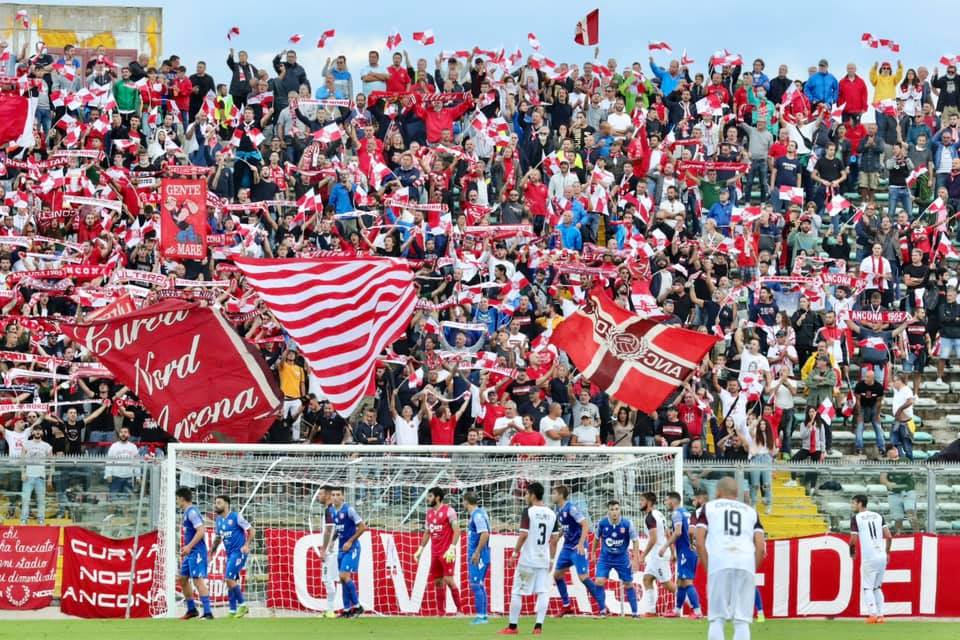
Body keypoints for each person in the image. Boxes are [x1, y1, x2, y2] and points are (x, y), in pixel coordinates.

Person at [694, 477, 766, 640]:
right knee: (742, 621)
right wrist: (750, 570)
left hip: (719, 560)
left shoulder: (709, 507)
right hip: (746, 562)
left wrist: (708, 568)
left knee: (717, 619)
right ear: (737, 493)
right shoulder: (751, 511)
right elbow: (760, 547)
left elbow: (699, 541)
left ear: (718, 492)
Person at [499, 482, 558, 636]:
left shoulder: (529, 512)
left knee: (517, 592)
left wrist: (514, 553)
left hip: (527, 560)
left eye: (526, 494)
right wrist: (551, 560)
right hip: (543, 560)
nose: (525, 496)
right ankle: (538, 626)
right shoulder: (552, 514)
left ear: (532, 495)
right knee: (543, 592)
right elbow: (554, 540)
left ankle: (512, 627)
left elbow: (524, 534)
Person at [552, 484, 603, 616]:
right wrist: (558, 537)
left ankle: (603, 606)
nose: (552, 495)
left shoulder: (571, 508)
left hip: (577, 548)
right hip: (567, 547)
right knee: (557, 575)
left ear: (561, 495)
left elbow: (585, 524)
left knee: (583, 577)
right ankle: (566, 606)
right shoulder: (558, 508)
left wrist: (581, 543)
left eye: (554, 493)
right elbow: (565, 526)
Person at [414, 487, 463, 615]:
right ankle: (441, 613)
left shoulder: (449, 511)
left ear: (437, 497)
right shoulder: (429, 513)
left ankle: (460, 611)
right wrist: (420, 549)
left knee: (448, 580)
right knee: (437, 582)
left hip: (447, 552)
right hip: (434, 553)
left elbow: (457, 530)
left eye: (430, 496)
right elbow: (427, 532)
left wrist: (452, 547)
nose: (427, 499)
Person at [591, 499, 641, 618]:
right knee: (599, 581)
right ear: (608, 511)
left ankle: (635, 613)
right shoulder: (602, 523)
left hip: (622, 558)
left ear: (620, 510)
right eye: (612, 509)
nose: (614, 512)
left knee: (628, 584)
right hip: (605, 557)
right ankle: (602, 611)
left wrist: (635, 559)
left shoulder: (627, 524)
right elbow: (597, 538)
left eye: (616, 509)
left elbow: (635, 541)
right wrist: (593, 552)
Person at [849, 494, 892, 624]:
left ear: (860, 503)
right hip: (881, 556)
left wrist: (852, 551)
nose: (852, 505)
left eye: (853, 503)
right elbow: (889, 536)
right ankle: (881, 616)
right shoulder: (878, 516)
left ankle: (872, 615)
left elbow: (853, 539)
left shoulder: (856, 518)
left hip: (869, 557)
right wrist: (887, 552)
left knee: (867, 587)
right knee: (877, 587)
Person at [212, 495, 253, 618]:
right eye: (216, 503)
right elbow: (218, 538)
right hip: (229, 554)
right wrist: (211, 552)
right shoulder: (218, 520)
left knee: (228, 578)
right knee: (231, 581)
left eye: (219, 503)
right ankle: (232, 611)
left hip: (239, 552)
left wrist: (246, 545)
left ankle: (243, 604)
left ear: (226, 504)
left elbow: (252, 530)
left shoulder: (236, 516)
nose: (216, 505)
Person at [638, 492, 678, 616]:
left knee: (667, 585)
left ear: (649, 503)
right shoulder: (659, 514)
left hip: (658, 555)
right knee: (647, 579)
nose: (640, 502)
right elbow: (667, 534)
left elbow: (653, 538)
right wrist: (672, 551)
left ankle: (694, 604)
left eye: (642, 500)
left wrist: (643, 555)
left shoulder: (650, 517)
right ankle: (651, 611)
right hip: (659, 553)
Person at [665, 491, 703, 618]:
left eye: (666, 500)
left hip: (686, 552)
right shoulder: (687, 512)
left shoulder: (676, 513)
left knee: (687, 582)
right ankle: (677, 610)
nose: (665, 503)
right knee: (680, 582)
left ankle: (697, 611)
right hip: (689, 551)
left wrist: (665, 547)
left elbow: (678, 532)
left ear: (672, 500)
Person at [176, 486, 212, 619]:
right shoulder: (187, 512)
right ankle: (192, 610)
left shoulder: (192, 512)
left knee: (197, 581)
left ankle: (208, 613)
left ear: (182, 499)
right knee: (183, 579)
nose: (177, 502)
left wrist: (189, 546)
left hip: (196, 551)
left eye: (177, 499)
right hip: (190, 552)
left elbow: (201, 531)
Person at [330, 486, 367, 618]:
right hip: (341, 548)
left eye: (338, 494)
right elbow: (338, 529)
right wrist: (333, 540)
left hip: (352, 548)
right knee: (342, 578)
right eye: (333, 494)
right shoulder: (332, 511)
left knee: (344, 576)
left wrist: (350, 541)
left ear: (343, 497)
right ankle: (346, 610)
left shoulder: (349, 510)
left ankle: (357, 606)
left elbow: (363, 527)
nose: (335, 497)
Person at [463, 491, 491, 625]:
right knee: (479, 584)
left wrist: (477, 552)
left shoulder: (477, 515)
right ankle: (484, 616)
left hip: (478, 555)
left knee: (475, 585)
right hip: (481, 554)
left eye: (463, 501)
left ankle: (480, 617)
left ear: (466, 502)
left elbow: (484, 534)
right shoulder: (480, 513)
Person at [880, 446, 919, 534]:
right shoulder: (886, 464)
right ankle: (898, 534)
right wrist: (888, 483)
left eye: (894, 450)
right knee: (898, 517)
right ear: (888, 454)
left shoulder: (905, 460)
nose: (894, 451)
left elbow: (913, 470)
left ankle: (917, 533)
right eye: (891, 451)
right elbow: (882, 478)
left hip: (908, 491)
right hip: (894, 494)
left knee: (910, 511)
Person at [20, 425, 52, 525]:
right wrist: (22, 472)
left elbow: (52, 463)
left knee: (41, 500)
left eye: (39, 430)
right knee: (26, 499)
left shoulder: (47, 446)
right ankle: (24, 519)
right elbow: (21, 460)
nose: (37, 432)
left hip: (41, 477)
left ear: (42, 432)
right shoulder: (26, 444)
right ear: (33, 432)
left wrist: (50, 477)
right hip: (28, 476)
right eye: (36, 430)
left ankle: (41, 519)